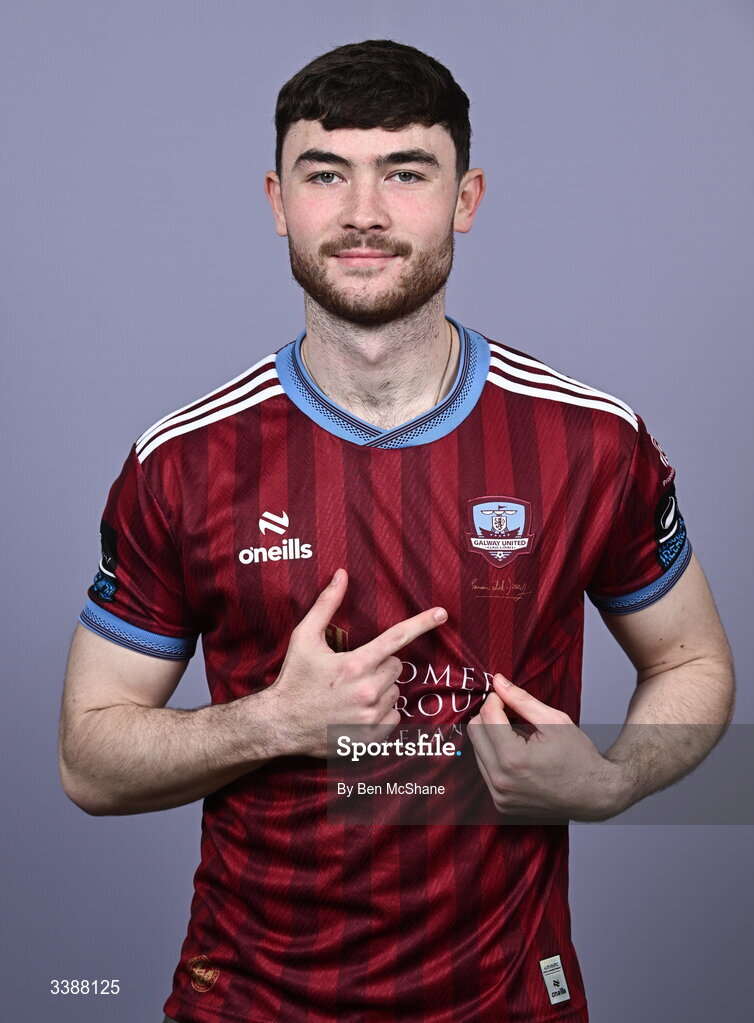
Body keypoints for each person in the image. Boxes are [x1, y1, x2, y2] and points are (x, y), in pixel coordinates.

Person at [58, 38, 734, 1023]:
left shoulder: (589, 443)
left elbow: (693, 661)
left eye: (404, 172)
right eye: (325, 173)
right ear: (277, 200)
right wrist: (274, 721)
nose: (363, 211)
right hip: (250, 1000)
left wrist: (611, 780)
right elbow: (88, 762)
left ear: (466, 199)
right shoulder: (183, 463)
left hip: (509, 1001)